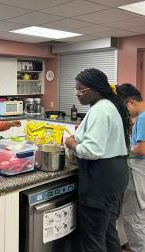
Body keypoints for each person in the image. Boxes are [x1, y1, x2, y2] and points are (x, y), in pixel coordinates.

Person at [65, 68, 130, 252]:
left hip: (100, 178)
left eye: (81, 90)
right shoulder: (108, 105)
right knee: (108, 231)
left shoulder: (100, 110)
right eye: (75, 89)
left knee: (93, 238)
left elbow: (92, 150)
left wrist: (71, 144)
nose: (77, 94)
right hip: (115, 174)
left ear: (96, 89)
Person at [116, 83, 145, 252]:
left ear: (131, 102)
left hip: (138, 174)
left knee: (134, 220)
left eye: (125, 108)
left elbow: (142, 148)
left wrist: (123, 149)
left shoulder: (142, 117)